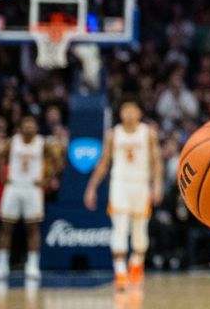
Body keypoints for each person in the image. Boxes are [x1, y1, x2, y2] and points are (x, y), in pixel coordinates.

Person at [83, 98, 163, 290]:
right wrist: (91, 187)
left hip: (141, 184)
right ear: (120, 114)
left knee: (140, 231)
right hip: (120, 184)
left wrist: (157, 185)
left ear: (139, 113)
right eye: (125, 110)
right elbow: (103, 162)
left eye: (132, 110)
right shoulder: (113, 134)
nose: (129, 114)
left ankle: (136, 264)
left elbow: (156, 161)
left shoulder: (148, 133)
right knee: (119, 228)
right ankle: (119, 271)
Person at [0, 116, 62, 280]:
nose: (29, 127)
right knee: (6, 227)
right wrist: (2, 177)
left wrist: (47, 179)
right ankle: (2, 265)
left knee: (33, 228)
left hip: (32, 187)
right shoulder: (13, 141)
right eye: (26, 124)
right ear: (20, 127)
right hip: (14, 186)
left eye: (32, 125)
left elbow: (56, 161)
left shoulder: (42, 143)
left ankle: (33, 265)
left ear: (36, 127)